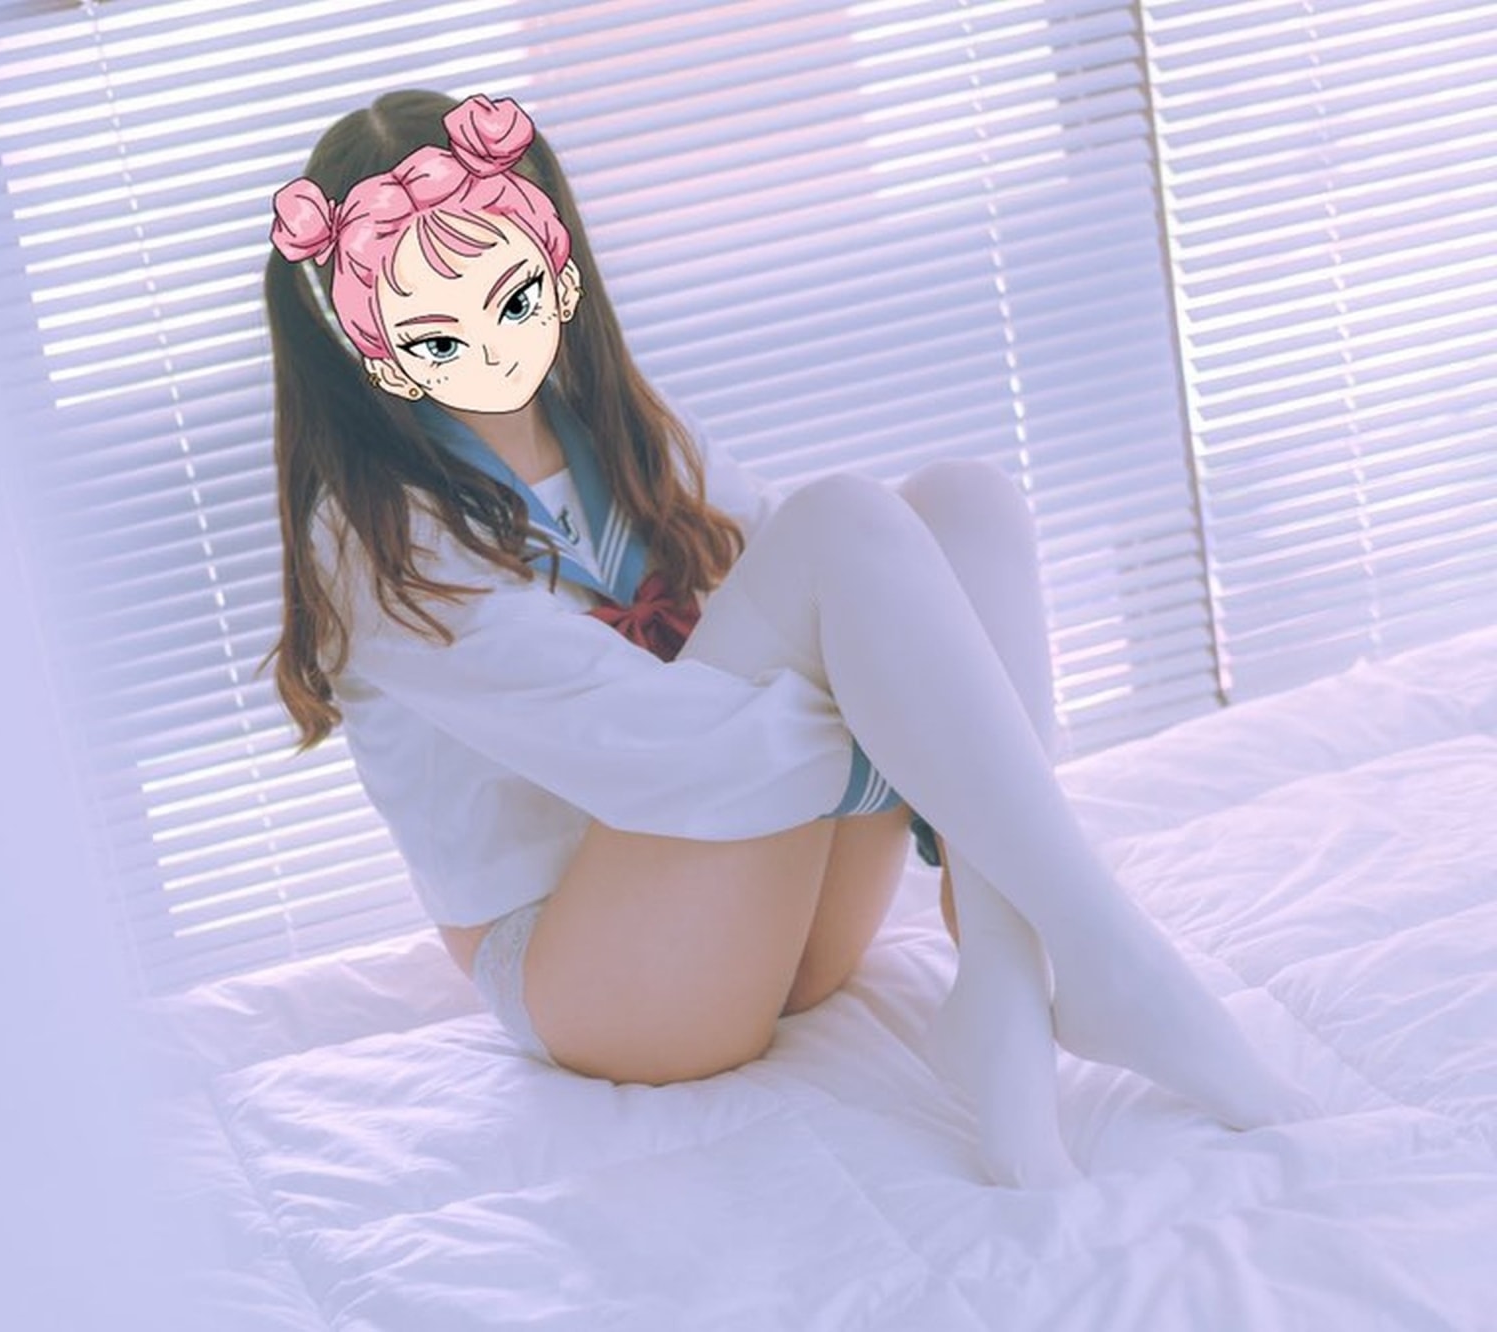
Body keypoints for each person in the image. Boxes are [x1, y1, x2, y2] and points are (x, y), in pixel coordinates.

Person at [261, 90, 1318, 1188]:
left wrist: (920, 705)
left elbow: (842, 591)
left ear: (559, 269)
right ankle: (1112, 961)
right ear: (372, 345)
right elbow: (668, 755)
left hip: (776, 919)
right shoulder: (380, 541)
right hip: (606, 978)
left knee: (960, 504)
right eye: (436, 333)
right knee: (849, 532)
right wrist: (914, 730)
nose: (489, 346)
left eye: (511, 298)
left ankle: (1004, 993)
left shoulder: (615, 433)